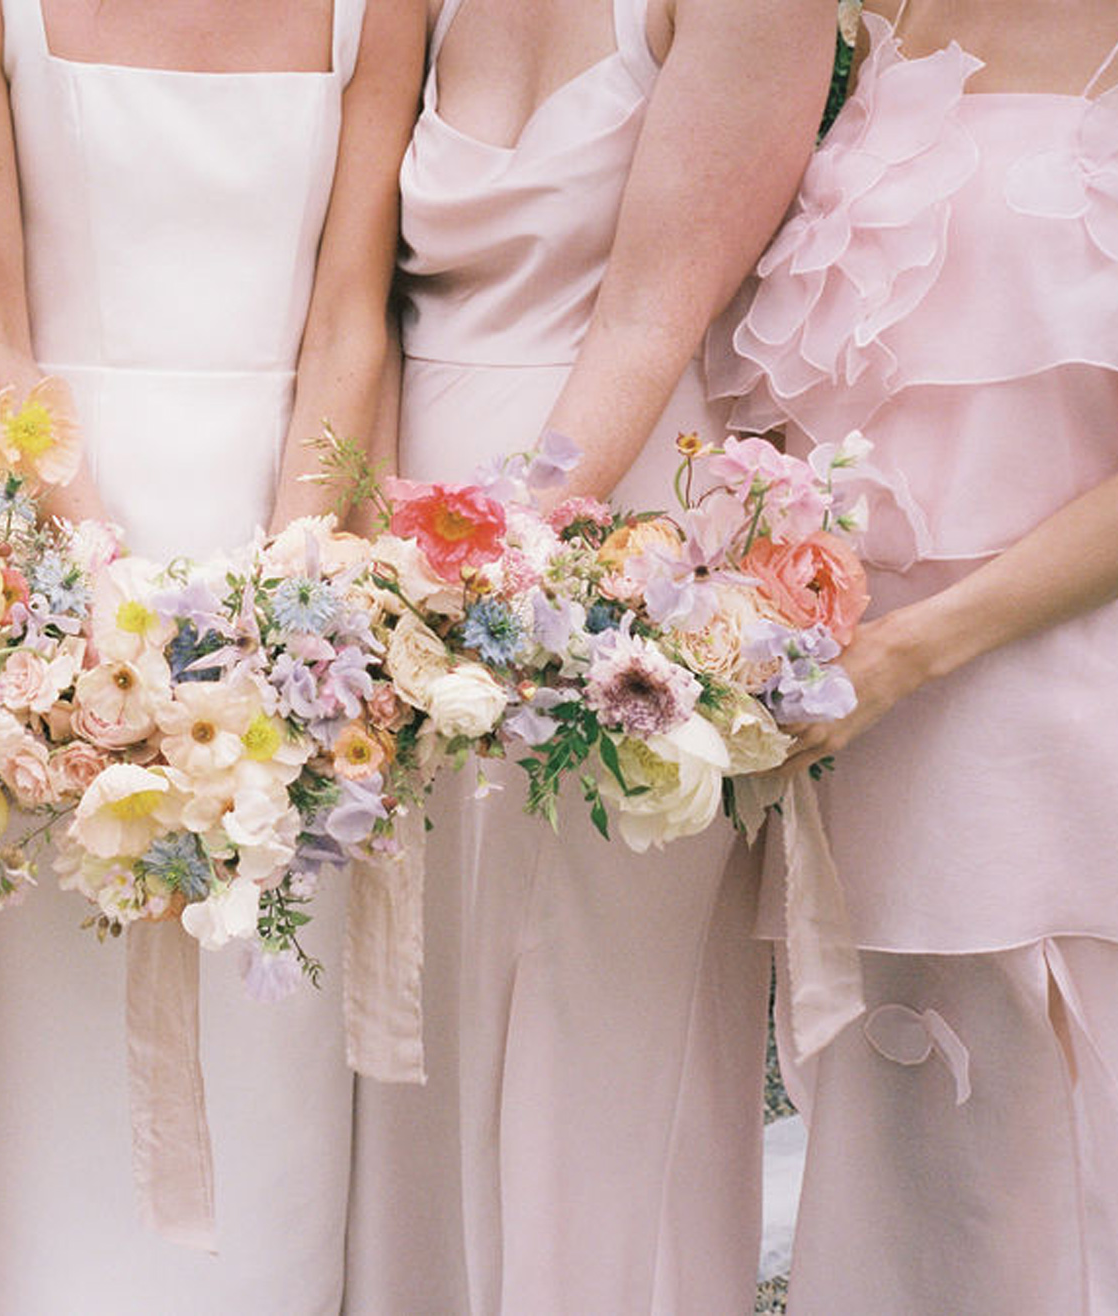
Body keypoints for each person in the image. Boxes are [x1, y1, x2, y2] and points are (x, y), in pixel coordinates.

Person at [0, 0, 422, 1308]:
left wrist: (287, 589)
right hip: (57, 570)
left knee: (270, 1012)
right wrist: (96, 582)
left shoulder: (381, 12)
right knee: (62, 1028)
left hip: (282, 548)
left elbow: (347, 320)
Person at [708, 0, 1118, 1308]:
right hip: (865, 724)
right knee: (915, 1194)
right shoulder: (879, 16)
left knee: (1079, 1194)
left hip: (1072, 707)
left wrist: (916, 654)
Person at [345, 1, 829, 1311]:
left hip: (612, 581)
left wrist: (490, 569)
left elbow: (646, 323)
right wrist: (362, 571)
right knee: (417, 1041)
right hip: (408, 593)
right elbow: (369, 302)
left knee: (592, 1046)